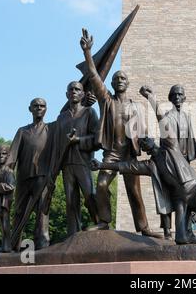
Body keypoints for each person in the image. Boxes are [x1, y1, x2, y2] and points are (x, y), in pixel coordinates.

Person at [91, 137, 196, 247]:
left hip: (194, 189)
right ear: (144, 149)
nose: (145, 143)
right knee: (180, 238)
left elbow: (161, 118)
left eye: (146, 139)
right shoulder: (150, 165)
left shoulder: (170, 147)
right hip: (180, 199)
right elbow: (125, 166)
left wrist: (151, 99)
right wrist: (101, 165)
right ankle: (191, 237)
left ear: (153, 140)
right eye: (142, 143)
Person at [80, 29, 161, 238]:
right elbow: (94, 75)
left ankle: (143, 228)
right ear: (113, 84)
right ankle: (104, 222)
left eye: (123, 78)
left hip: (130, 154)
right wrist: (88, 53)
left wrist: (152, 147)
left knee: (135, 192)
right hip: (112, 153)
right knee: (102, 184)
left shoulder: (136, 107)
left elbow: (143, 135)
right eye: (116, 78)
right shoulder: (107, 100)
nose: (119, 80)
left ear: (128, 83)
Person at [139, 84, 196, 240]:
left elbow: (192, 141)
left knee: (185, 199)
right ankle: (167, 231)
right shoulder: (167, 116)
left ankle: (187, 231)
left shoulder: (186, 117)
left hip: (184, 163)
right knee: (166, 195)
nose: (178, 97)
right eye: (174, 95)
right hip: (171, 161)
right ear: (170, 99)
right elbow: (160, 120)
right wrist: (151, 98)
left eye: (180, 95)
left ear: (184, 98)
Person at [52, 81, 100, 236]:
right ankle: (73, 234)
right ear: (67, 95)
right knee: (71, 201)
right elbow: (57, 143)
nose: (73, 91)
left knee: (89, 195)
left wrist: (78, 140)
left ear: (83, 94)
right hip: (66, 164)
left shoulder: (89, 112)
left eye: (77, 89)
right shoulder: (61, 118)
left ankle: (100, 224)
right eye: (71, 89)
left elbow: (97, 138)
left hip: (83, 161)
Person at [7, 98, 52, 251]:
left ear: (46, 109)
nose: (39, 108)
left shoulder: (51, 129)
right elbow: (11, 157)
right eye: (36, 106)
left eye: (42, 106)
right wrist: (8, 175)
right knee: (19, 210)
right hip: (23, 177)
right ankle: (14, 245)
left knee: (42, 211)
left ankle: (42, 245)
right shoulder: (22, 131)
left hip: (43, 177)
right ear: (30, 109)